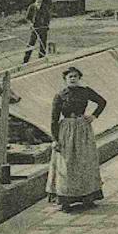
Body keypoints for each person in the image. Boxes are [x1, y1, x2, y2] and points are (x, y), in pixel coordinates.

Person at [47, 66, 106, 210]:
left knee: (85, 162)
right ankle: (65, 201)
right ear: (65, 79)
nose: (73, 79)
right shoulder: (60, 95)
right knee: (67, 165)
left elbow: (102, 102)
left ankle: (88, 198)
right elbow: (54, 119)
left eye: (75, 76)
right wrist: (55, 139)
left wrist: (93, 116)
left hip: (83, 130)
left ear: (79, 78)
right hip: (66, 131)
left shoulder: (85, 91)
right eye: (70, 77)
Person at [23, 0, 52, 64]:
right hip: (35, 28)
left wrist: (47, 25)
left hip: (43, 28)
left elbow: (48, 17)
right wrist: (31, 24)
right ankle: (25, 60)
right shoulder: (31, 7)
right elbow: (27, 18)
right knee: (31, 44)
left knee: (43, 44)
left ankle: (41, 59)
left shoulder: (44, 7)